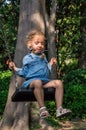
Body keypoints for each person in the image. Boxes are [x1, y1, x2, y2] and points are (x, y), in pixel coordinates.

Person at [9, 30, 71, 119]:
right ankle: (42, 109)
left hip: (44, 82)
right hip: (31, 82)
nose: (40, 45)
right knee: (37, 82)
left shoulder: (43, 56)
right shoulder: (27, 58)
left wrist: (50, 63)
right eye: (37, 43)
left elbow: (45, 70)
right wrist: (14, 68)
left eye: (42, 43)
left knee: (59, 83)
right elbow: (24, 72)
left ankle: (59, 109)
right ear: (30, 45)